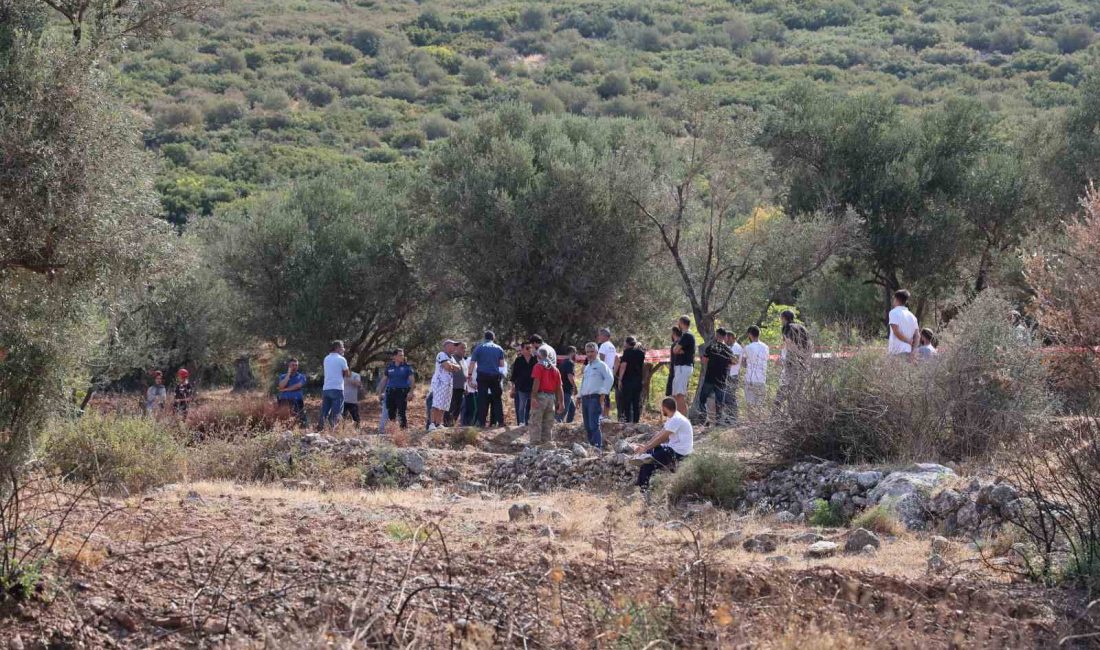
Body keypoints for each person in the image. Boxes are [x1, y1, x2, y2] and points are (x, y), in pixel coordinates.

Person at [631, 397, 693, 492]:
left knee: (647, 463)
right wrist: (646, 446)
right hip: (673, 448)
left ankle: (642, 490)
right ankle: (642, 462)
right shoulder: (672, 417)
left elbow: (663, 438)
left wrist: (646, 447)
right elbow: (660, 434)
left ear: (664, 408)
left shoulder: (676, 419)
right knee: (649, 451)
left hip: (679, 452)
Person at [579, 342, 613, 449]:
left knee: (594, 424)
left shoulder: (601, 365)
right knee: (587, 426)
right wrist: (579, 396)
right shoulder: (587, 367)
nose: (589, 354)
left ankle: (598, 448)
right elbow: (584, 382)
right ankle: (591, 447)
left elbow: (610, 378)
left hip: (594, 398)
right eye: (587, 352)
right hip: (585, 399)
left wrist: (603, 393)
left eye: (592, 352)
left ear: (597, 352)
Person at [468, 331, 506, 427]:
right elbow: (501, 364)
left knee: (482, 399)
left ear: (484, 338)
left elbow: (472, 363)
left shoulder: (479, 348)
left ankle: (482, 423)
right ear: (493, 338)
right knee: (497, 399)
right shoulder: (499, 348)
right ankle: (500, 422)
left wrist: (469, 375)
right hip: (494, 377)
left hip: (482, 376)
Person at [529, 348, 564, 445]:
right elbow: (559, 387)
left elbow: (536, 382)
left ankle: (534, 445)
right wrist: (561, 402)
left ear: (539, 356)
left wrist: (533, 397)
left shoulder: (538, 366)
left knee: (535, 421)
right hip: (551, 398)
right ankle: (546, 445)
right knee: (548, 424)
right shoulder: (555, 369)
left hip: (540, 396)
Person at [776, 310, 811, 406]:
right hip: (803, 363)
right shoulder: (803, 328)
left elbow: (789, 343)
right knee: (797, 391)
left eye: (781, 318)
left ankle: (776, 411)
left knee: (784, 387)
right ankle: (794, 413)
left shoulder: (787, 327)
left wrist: (798, 354)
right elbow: (809, 345)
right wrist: (805, 358)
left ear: (784, 318)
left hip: (792, 361)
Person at [698, 328, 733, 425]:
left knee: (702, 399)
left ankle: (704, 419)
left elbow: (704, 361)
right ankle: (718, 422)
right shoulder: (728, 350)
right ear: (725, 337)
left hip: (709, 378)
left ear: (716, 336)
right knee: (719, 402)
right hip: (721, 379)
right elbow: (731, 363)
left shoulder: (710, 347)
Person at [378, 348, 414, 430]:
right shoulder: (389, 367)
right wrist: (380, 392)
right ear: (394, 357)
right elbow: (384, 380)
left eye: (403, 355)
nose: (402, 356)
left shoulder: (407, 367)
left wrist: (411, 392)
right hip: (390, 392)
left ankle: (403, 430)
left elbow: (412, 380)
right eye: (400, 355)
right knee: (391, 412)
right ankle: (392, 430)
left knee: (401, 412)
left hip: (402, 392)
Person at [429, 340, 461, 431]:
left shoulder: (451, 357)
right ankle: (432, 423)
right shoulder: (441, 354)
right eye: (453, 345)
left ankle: (438, 423)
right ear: (447, 346)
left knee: (444, 404)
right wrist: (452, 366)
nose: (455, 347)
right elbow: (446, 366)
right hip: (440, 383)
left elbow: (458, 368)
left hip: (449, 384)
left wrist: (452, 366)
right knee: (436, 403)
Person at [319, 340, 350, 430]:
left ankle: (321, 428)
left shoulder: (326, 358)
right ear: (337, 348)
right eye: (342, 347)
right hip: (337, 388)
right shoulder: (341, 359)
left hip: (326, 388)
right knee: (336, 412)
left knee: (325, 410)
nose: (343, 349)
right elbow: (347, 374)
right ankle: (333, 431)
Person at [671, 316, 696, 415]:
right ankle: (677, 418)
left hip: (683, 367)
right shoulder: (685, 336)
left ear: (681, 323)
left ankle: (684, 420)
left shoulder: (687, 336)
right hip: (680, 368)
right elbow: (677, 350)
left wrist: (679, 349)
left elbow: (675, 350)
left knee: (680, 395)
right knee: (676, 395)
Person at [617, 336, 645, 423]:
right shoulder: (641, 353)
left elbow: (623, 366)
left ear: (627, 343)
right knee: (636, 402)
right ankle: (636, 421)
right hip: (638, 380)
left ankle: (627, 421)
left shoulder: (627, 352)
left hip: (628, 380)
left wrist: (620, 379)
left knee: (627, 402)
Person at [741, 326, 769, 414]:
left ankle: (751, 424)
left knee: (750, 404)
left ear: (750, 335)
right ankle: (758, 424)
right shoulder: (766, 347)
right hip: (761, 379)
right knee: (759, 405)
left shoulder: (748, 347)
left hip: (750, 378)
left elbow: (743, 363)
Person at [887, 289, 920, 359]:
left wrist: (908, 340)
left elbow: (896, 331)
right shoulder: (912, 316)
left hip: (896, 351)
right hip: (908, 351)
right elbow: (917, 336)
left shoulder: (893, 312)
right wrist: (913, 351)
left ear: (896, 299)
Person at [510, 342, 536, 426]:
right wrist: (513, 388)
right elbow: (514, 375)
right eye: (527, 348)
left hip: (534, 387)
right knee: (521, 406)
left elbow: (546, 366)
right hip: (521, 387)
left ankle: (531, 422)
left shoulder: (535, 359)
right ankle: (521, 422)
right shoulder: (518, 360)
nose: (529, 349)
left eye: (530, 347)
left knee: (533, 407)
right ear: (522, 350)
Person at [276, 358, 307, 426]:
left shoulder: (301, 376)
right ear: (289, 366)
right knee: (284, 421)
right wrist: (288, 374)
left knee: (300, 421)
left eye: (296, 365)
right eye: (293, 365)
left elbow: (298, 386)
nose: (295, 367)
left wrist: (285, 390)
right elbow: (281, 386)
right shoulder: (283, 376)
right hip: (284, 401)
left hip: (297, 401)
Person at [597, 328, 618, 420]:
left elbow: (601, 360)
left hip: (602, 373)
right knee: (607, 395)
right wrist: (613, 373)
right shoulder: (612, 346)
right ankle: (606, 415)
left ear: (605, 336)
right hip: (609, 373)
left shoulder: (603, 345)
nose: (599, 337)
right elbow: (616, 360)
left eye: (600, 335)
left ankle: (601, 415)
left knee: (600, 394)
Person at [725, 331, 743, 424]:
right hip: (729, 374)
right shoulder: (729, 347)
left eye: (726, 338)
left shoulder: (736, 347)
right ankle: (729, 417)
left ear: (731, 337)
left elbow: (734, 361)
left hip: (733, 375)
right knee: (727, 397)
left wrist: (723, 362)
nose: (725, 340)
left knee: (731, 396)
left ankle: (733, 418)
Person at [447, 341, 467, 426]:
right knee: (451, 407)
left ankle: (452, 424)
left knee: (458, 408)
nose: (464, 350)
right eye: (462, 348)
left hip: (461, 388)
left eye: (465, 348)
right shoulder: (452, 358)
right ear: (456, 349)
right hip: (453, 387)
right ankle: (446, 424)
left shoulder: (463, 360)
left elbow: (465, 374)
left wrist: (466, 388)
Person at [557, 346, 578, 423]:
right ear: (572, 352)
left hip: (562, 389)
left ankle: (569, 424)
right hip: (566, 390)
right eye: (575, 352)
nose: (576, 354)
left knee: (572, 408)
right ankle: (558, 424)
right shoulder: (570, 363)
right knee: (563, 411)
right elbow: (570, 376)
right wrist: (575, 387)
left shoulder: (563, 362)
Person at [665, 326, 681, 397]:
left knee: (672, 394)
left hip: (675, 372)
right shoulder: (680, 343)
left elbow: (675, 360)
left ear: (674, 333)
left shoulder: (676, 345)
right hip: (678, 372)